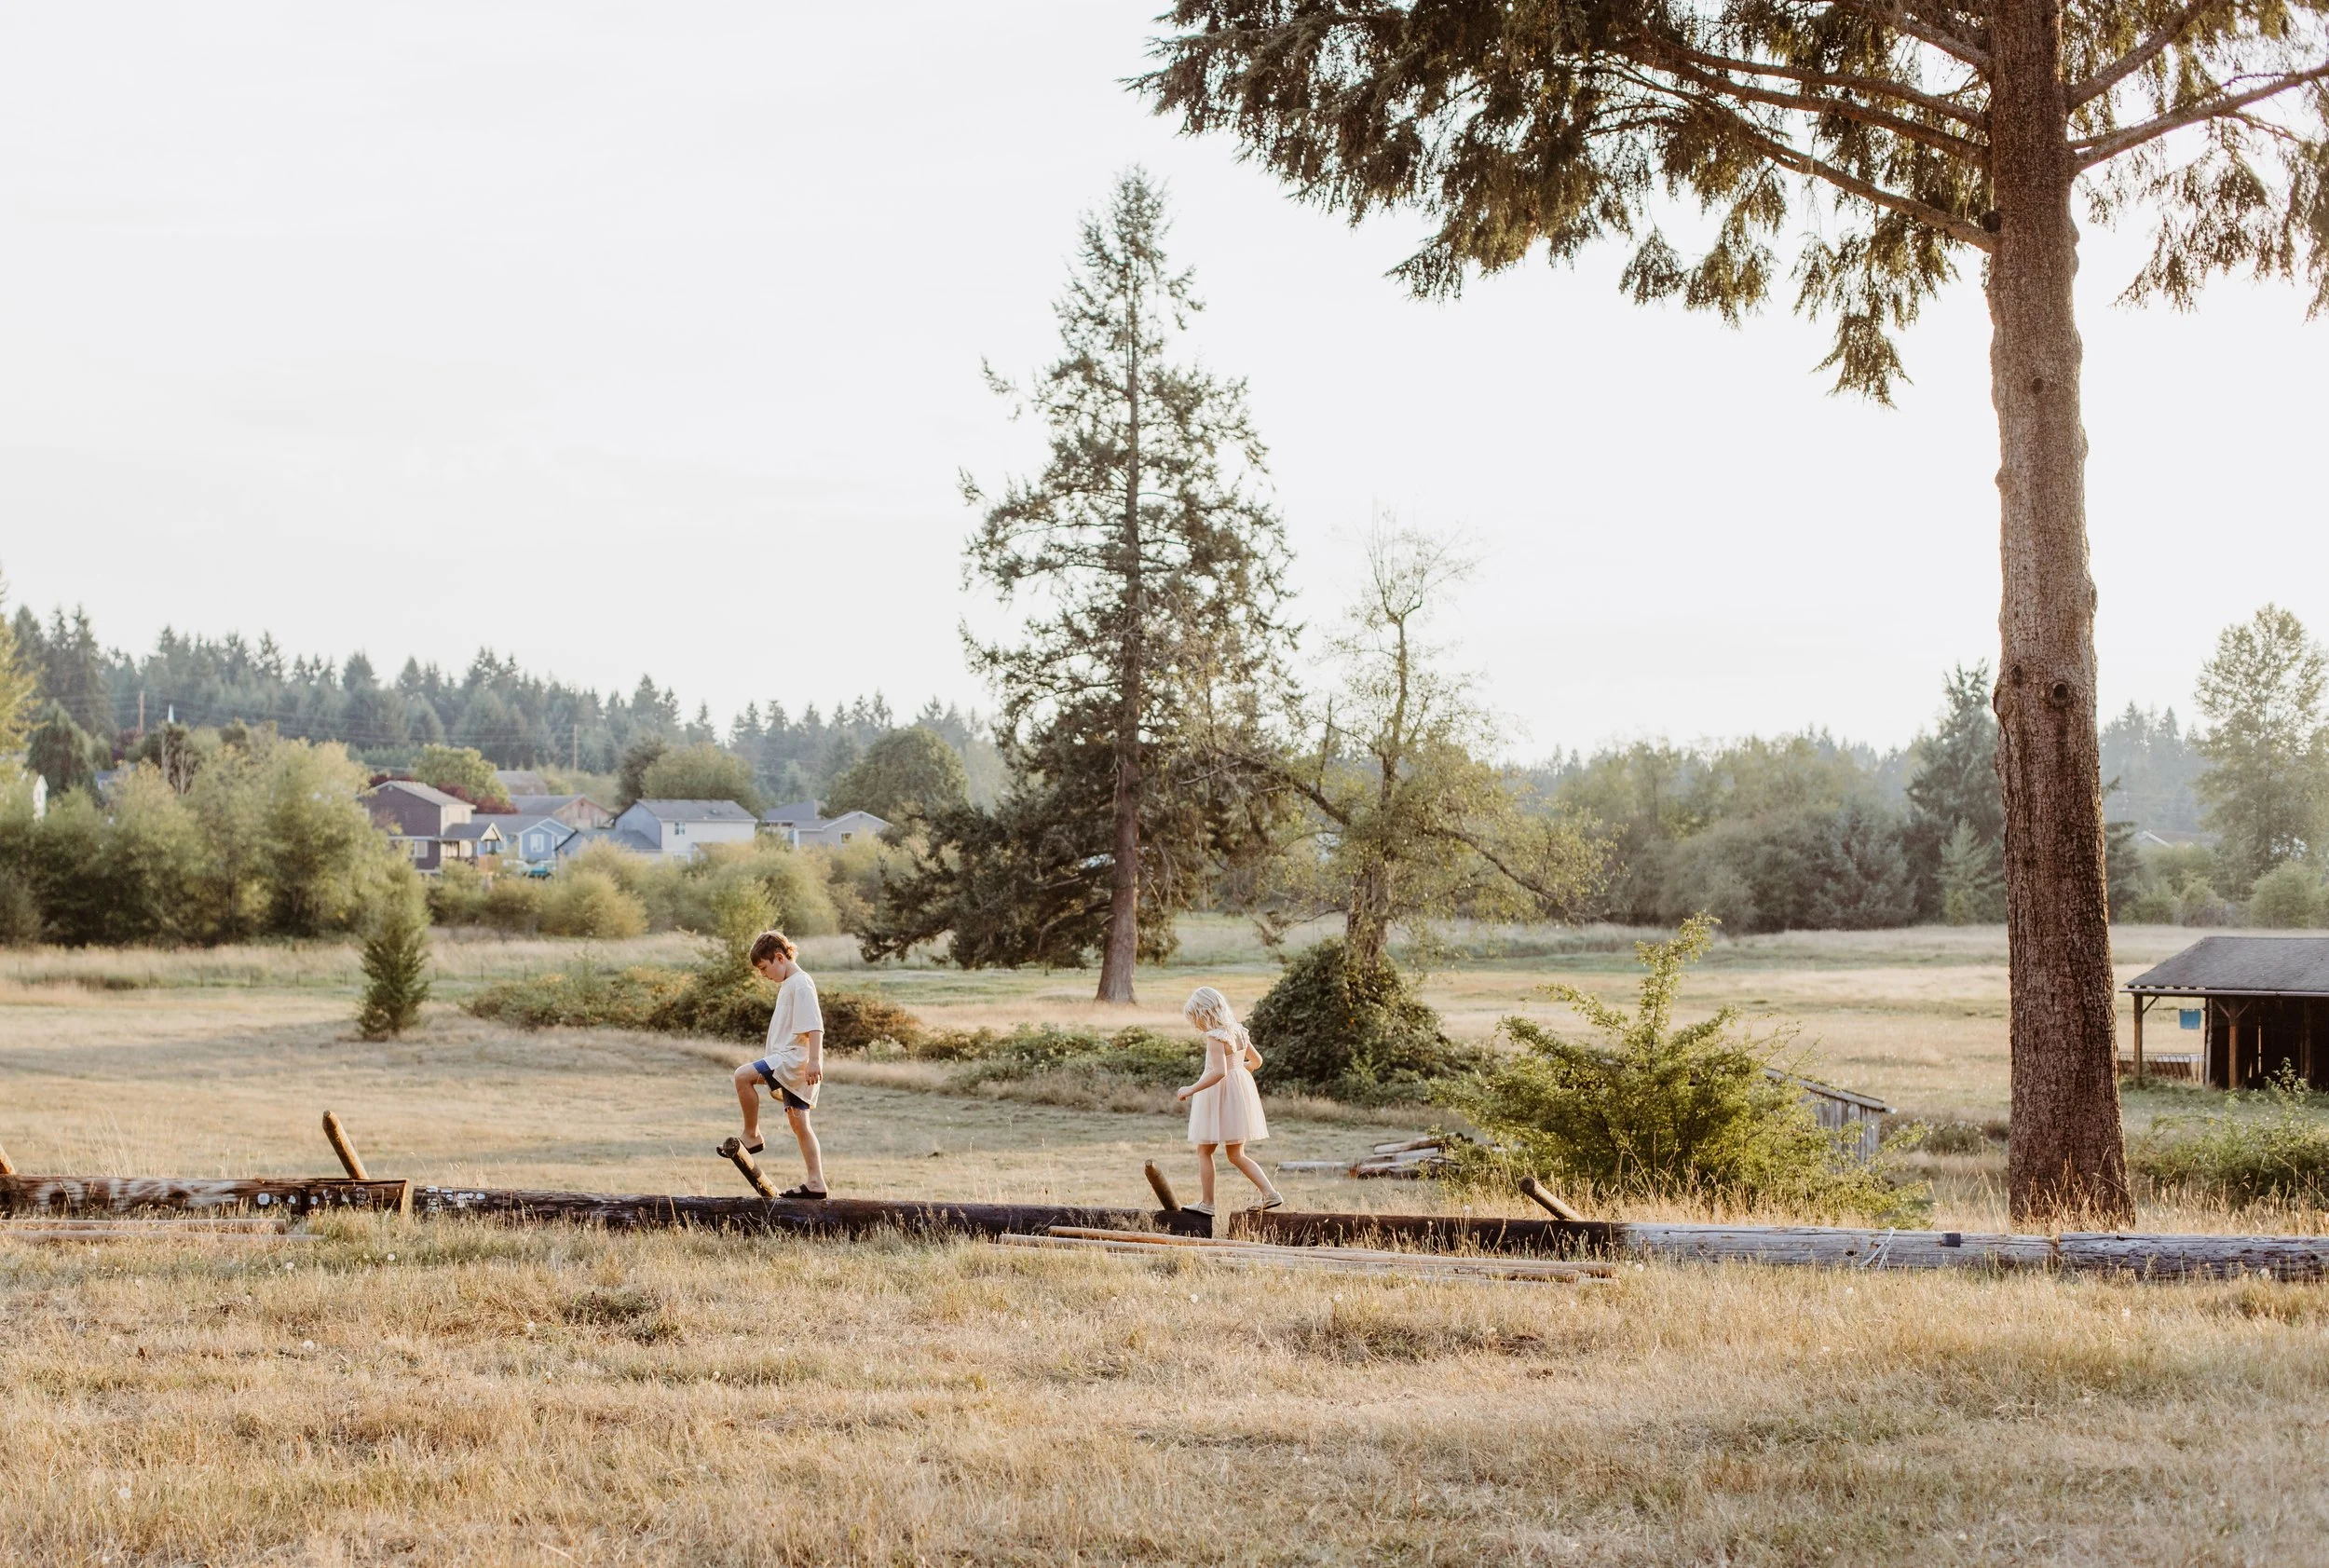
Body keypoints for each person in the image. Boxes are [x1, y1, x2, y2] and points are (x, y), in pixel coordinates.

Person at [725, 930, 828, 1199]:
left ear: (779, 957)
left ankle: (752, 1135)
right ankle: (816, 1182)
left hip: (793, 1060)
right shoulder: (790, 984)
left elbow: (815, 1027)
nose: (763, 974)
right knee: (799, 1123)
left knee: (742, 1076)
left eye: (763, 968)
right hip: (789, 1060)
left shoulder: (801, 983)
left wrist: (815, 1060)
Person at [1174, 986, 1284, 1217]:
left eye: (1195, 1019)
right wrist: (1240, 1070)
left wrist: (1191, 1089)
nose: (1196, 1025)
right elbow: (1257, 1062)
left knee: (1204, 1150)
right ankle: (1270, 1193)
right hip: (1237, 1097)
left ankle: (1207, 1203)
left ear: (1205, 1013)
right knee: (1236, 1154)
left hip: (1218, 1097)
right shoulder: (1239, 1031)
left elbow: (1218, 1073)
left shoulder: (1215, 1037)